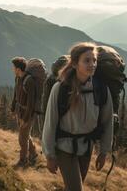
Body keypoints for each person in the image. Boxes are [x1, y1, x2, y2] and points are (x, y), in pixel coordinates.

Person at [42, 42, 113, 191]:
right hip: (65, 148)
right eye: (87, 60)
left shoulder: (101, 90)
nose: (92, 64)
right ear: (75, 64)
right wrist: (49, 155)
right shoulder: (61, 88)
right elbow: (50, 122)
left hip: (86, 150)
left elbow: (108, 122)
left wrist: (104, 151)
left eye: (94, 60)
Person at [11, 57, 38, 167]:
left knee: (22, 138)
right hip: (19, 111)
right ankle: (34, 153)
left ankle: (23, 161)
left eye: (13, 67)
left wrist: (25, 118)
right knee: (25, 134)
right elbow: (15, 94)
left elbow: (31, 103)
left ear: (18, 68)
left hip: (28, 113)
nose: (12, 69)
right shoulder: (18, 78)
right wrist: (13, 109)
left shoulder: (29, 80)